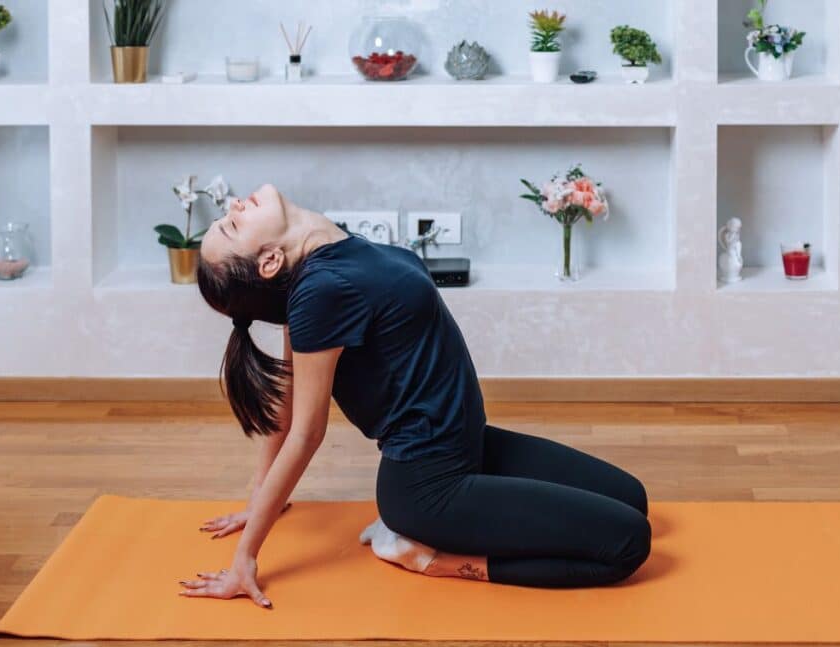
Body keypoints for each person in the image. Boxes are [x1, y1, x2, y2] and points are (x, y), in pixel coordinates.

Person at [178, 183, 651, 609]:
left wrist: (263, 496)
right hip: (428, 487)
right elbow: (305, 431)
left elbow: (286, 391)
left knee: (632, 499)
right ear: (268, 261)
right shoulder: (319, 292)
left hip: (467, 445)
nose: (236, 205)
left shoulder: (326, 256)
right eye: (234, 224)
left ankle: (420, 534)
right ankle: (435, 560)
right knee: (628, 543)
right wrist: (246, 559)